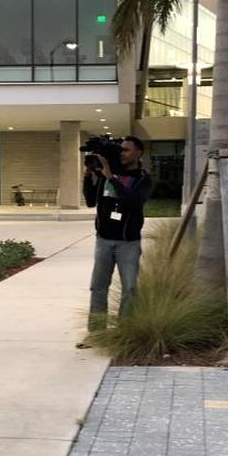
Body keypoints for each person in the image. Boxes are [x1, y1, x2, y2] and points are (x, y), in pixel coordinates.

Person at [80, 136, 153, 336]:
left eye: (127, 150)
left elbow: (134, 203)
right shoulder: (106, 174)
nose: (122, 153)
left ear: (139, 153)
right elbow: (89, 202)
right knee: (98, 287)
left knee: (129, 288)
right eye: (121, 149)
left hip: (128, 243)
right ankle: (96, 333)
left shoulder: (143, 179)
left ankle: (125, 332)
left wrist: (111, 177)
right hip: (103, 240)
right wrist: (88, 176)